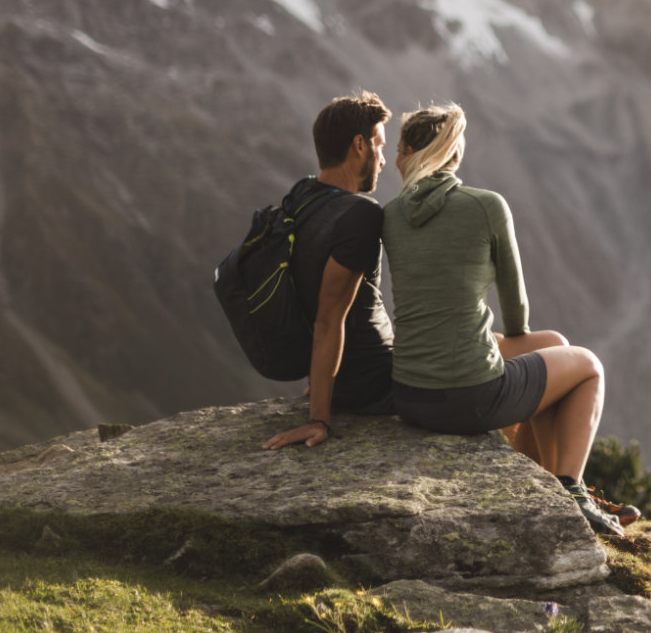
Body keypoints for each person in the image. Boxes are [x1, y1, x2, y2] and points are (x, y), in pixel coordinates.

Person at [382, 102, 623, 537]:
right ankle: (570, 490)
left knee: (554, 342)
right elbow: (516, 316)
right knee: (586, 366)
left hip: (410, 395)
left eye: (399, 149)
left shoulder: (391, 217)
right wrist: (492, 337)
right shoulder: (486, 206)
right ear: (454, 155)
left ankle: (543, 483)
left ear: (407, 155)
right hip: (467, 397)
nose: (395, 158)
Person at [263, 91, 395, 451]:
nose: (383, 159)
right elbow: (328, 319)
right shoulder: (360, 215)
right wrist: (318, 420)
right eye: (379, 145)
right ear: (359, 145)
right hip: (378, 384)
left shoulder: (301, 197)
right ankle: (563, 492)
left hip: (343, 380)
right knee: (547, 352)